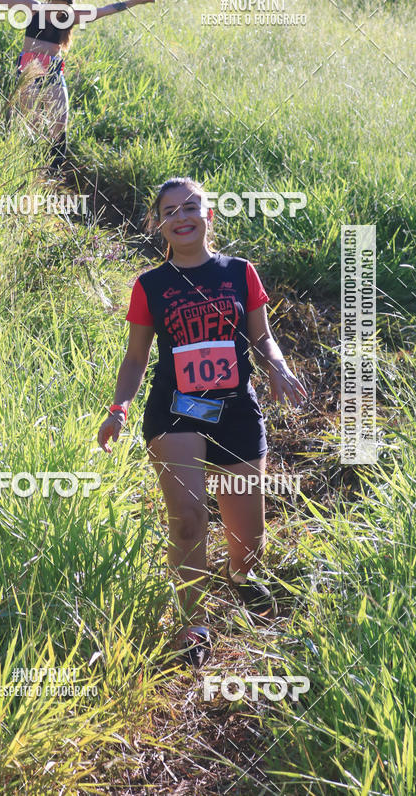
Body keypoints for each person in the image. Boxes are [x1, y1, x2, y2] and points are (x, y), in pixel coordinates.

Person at [97, 178, 307, 667]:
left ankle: (240, 586)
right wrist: (118, 408)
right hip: (175, 409)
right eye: (170, 211)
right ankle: (193, 625)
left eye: (191, 206)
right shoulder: (151, 285)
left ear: (209, 214)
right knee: (189, 521)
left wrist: (278, 368)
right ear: (159, 224)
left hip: (234, 409)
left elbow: (263, 338)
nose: (182, 216)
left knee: (247, 551)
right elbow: (135, 360)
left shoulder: (240, 273)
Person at [0, 0, 159, 171]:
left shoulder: (72, 16)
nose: (57, 9)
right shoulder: (33, 7)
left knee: (60, 121)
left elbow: (108, 9)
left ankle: (54, 169)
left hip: (53, 70)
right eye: (55, 4)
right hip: (28, 68)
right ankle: (24, 166)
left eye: (62, 6)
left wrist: (139, 0)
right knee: (30, 124)